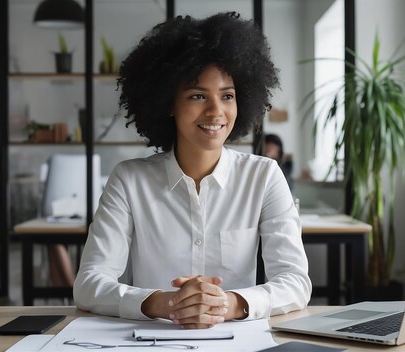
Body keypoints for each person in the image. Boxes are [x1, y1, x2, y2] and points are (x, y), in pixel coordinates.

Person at [73, 12, 311, 329]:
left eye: (227, 95)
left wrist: (230, 303)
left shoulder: (264, 177)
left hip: (238, 343)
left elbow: (296, 282)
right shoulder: (129, 180)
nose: (216, 111)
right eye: (197, 96)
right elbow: (88, 283)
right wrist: (164, 303)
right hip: (150, 342)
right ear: (169, 103)